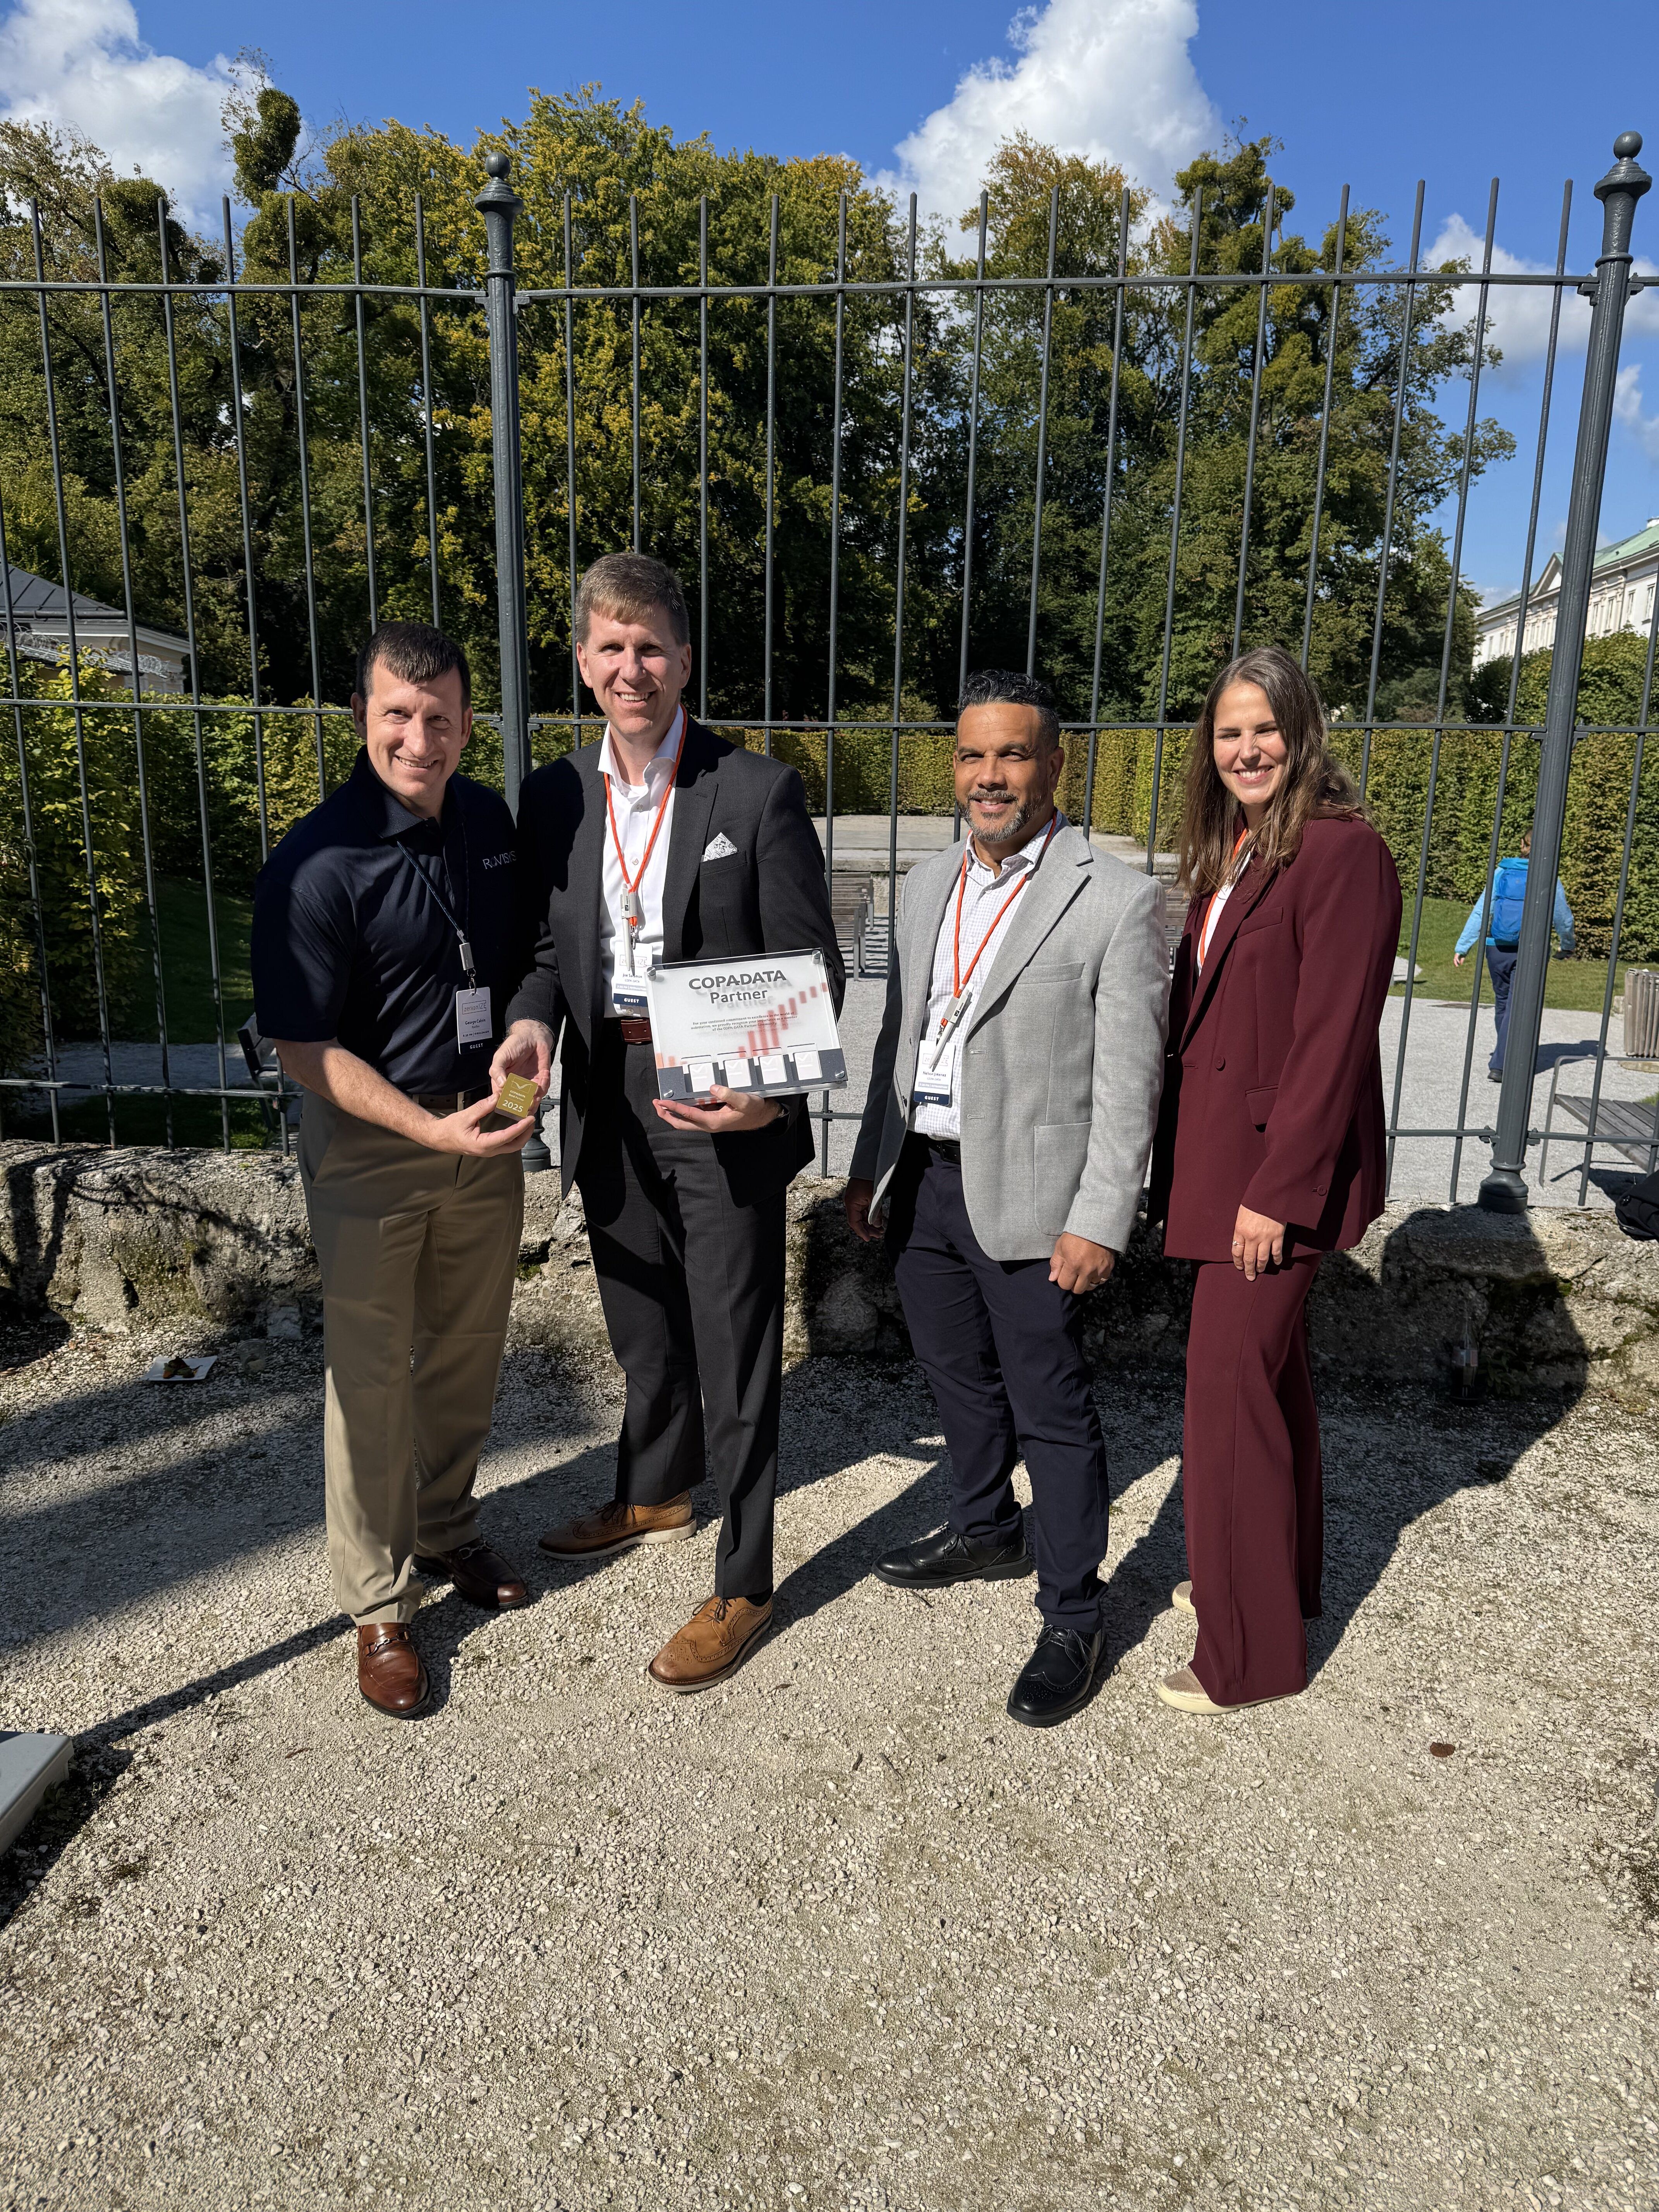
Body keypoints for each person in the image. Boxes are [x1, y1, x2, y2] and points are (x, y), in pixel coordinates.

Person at [492, 553, 844, 1693]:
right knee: (641, 1315)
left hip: (723, 1099)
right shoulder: (553, 796)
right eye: (611, 646)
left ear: (683, 660)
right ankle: (656, 1487)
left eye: (651, 646)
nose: (631, 666)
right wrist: (534, 1026)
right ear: (584, 661)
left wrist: (774, 1093)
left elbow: (810, 964)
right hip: (608, 1089)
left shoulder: (754, 792)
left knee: (735, 1338)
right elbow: (548, 953)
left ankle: (744, 1574)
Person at [844, 670, 1170, 1727]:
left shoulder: (1113, 899)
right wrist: (867, 1164)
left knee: (1052, 1409)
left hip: (1036, 1204)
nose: (992, 776)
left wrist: (1099, 1218)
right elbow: (900, 1038)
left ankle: (1074, 1610)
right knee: (953, 1380)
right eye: (974, 756)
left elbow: (1131, 1082)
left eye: (1014, 755)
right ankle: (985, 1524)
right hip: (927, 1183)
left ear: (1055, 765)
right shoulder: (926, 880)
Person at [251, 622, 538, 1721]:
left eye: (440, 717)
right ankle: (378, 1604)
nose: (420, 738)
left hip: (487, 1130)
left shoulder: (488, 824)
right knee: (371, 1377)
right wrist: (426, 1135)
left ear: (468, 720)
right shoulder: (315, 860)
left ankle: (449, 1529)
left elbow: (518, 965)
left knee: (466, 1352)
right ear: (365, 721)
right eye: (397, 717)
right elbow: (301, 1046)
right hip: (376, 1148)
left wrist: (524, 1041)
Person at [1148, 645, 1401, 1717]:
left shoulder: (1341, 855)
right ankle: (1274, 1583)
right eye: (1227, 731)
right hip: (1219, 1170)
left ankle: (1243, 1656)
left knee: (1225, 1404)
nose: (1246, 748)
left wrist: (1278, 1192)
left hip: (1268, 1186)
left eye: (1264, 728)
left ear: (1301, 734)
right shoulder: (1241, 850)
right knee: (1270, 1388)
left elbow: (1329, 1042)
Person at [1452, 828, 1575, 1082]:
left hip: (1495, 947)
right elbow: (1563, 918)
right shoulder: (1548, 877)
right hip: (1528, 950)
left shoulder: (1502, 872)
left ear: (1522, 845)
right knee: (1518, 1005)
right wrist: (1567, 945)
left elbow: (1481, 911)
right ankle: (1502, 1064)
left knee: (1505, 1003)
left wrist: (1463, 946)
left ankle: (1503, 1053)